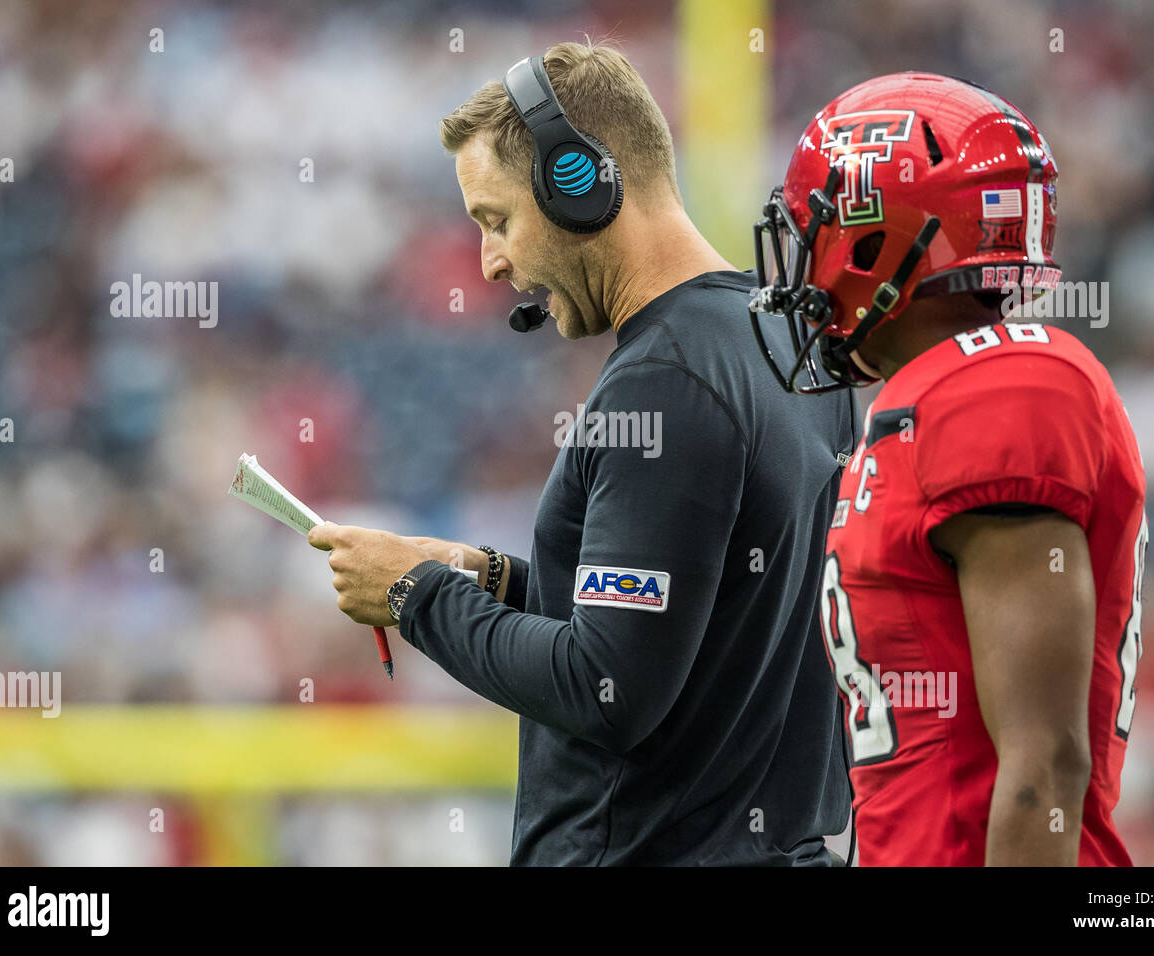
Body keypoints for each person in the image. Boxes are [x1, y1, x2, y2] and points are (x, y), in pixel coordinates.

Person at [308, 40, 855, 865]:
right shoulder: (789, 340)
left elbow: (607, 687)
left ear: (581, 183)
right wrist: (489, 578)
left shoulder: (664, 382)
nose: (492, 262)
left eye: (497, 220)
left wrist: (414, 595)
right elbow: (693, 625)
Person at [748, 72, 1146, 865]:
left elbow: (1045, 768)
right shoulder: (935, 397)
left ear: (874, 241)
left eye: (813, 233)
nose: (799, 274)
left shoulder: (999, 390)